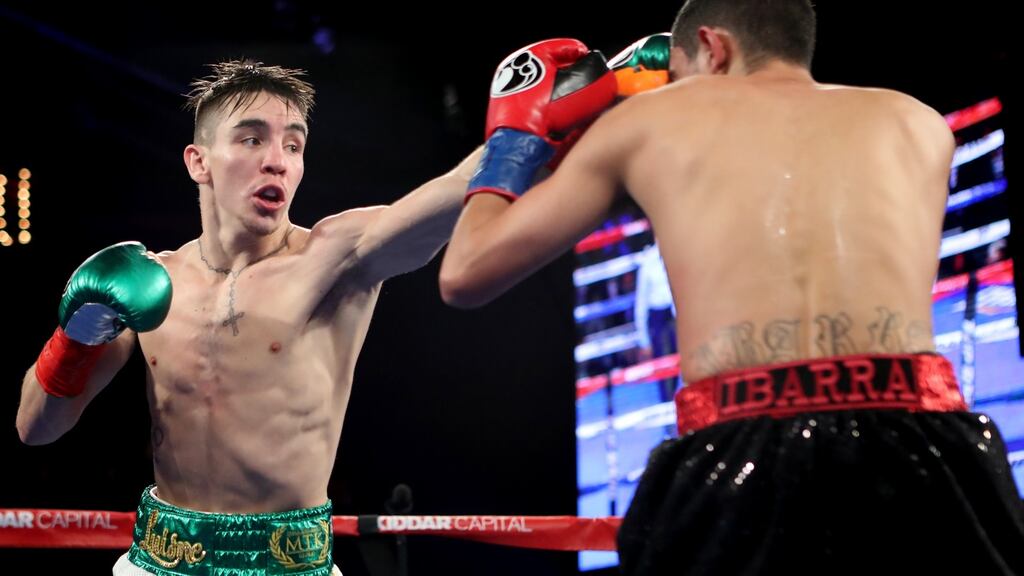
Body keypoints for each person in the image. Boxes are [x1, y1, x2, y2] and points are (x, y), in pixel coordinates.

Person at [439, 1, 1024, 573]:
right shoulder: (917, 121)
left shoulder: (650, 120)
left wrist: (514, 141)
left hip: (738, 448)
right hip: (929, 449)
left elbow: (465, 272)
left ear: (713, 49)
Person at [16, 59, 482, 576]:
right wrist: (77, 336)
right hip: (160, 561)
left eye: (293, 145)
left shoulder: (333, 260)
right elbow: (36, 429)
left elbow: (454, 191)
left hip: (289, 566)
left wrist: (528, 132)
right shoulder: (151, 283)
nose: (278, 161)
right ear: (199, 162)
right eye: (252, 139)